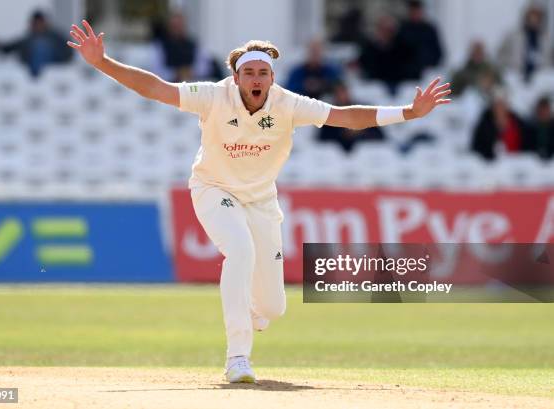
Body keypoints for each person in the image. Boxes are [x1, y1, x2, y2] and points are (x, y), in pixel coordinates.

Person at [67, 19, 451, 384]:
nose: (256, 80)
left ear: (272, 78)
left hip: (262, 201)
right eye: (248, 73)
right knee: (240, 252)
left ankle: (250, 312)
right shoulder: (214, 96)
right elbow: (156, 88)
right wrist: (102, 62)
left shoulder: (288, 104)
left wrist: (408, 113)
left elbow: (346, 118)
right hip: (214, 189)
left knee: (272, 309)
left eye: (263, 74)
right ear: (236, 77)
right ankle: (237, 358)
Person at [0, 10, 72, 77]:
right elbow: (9, 47)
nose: (38, 25)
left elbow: (68, 52)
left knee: (41, 46)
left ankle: (38, 77)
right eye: (36, 23)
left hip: (53, 71)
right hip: (31, 70)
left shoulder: (55, 36)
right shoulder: (28, 39)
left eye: (40, 23)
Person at [149, 12, 222, 82]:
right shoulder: (160, 46)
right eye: (174, 26)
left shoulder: (193, 44)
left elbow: (205, 67)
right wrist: (176, 73)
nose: (177, 29)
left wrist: (190, 72)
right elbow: (156, 71)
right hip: (169, 87)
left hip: (192, 86)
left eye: (180, 25)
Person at [318, 82, 386, 152]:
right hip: (338, 156)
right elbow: (323, 140)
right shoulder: (329, 116)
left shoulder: (363, 111)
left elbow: (380, 136)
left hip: (366, 153)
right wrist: (344, 134)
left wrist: (361, 131)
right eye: (338, 93)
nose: (342, 96)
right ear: (334, 96)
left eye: (343, 92)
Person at [498, 3, 553, 82]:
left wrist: (547, 70)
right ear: (526, 16)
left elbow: (551, 58)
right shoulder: (513, 35)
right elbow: (500, 54)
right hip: (516, 78)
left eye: (537, 15)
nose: (534, 18)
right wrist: (509, 67)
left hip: (541, 80)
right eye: (532, 15)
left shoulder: (547, 38)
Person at [471, 89, 531, 160]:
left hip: (515, 164)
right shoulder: (483, 126)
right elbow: (476, 150)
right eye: (497, 104)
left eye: (502, 104)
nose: (500, 108)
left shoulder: (518, 124)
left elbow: (527, 146)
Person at [396, 0, 443, 80]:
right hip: (405, 74)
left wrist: (429, 64)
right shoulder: (404, 29)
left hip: (426, 72)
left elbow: (437, 52)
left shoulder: (429, 29)